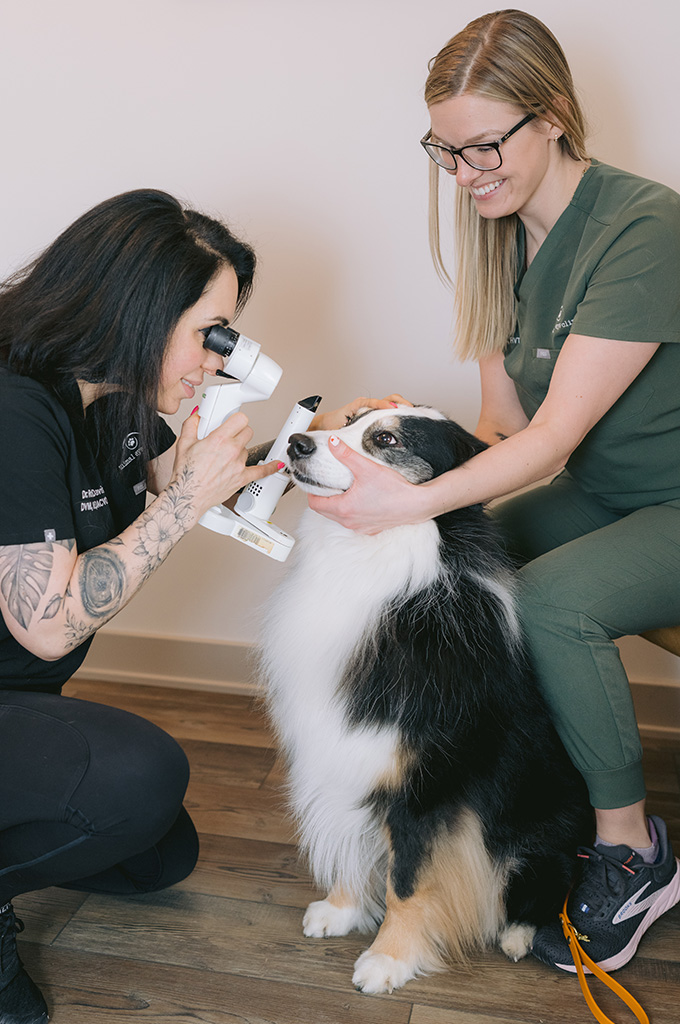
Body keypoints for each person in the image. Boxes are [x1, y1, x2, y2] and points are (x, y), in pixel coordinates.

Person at [307, 10, 680, 975]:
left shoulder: (646, 228)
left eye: (484, 146)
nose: (467, 173)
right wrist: (395, 446)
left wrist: (402, 501)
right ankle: (499, 803)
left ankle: (630, 851)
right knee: (473, 564)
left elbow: (550, 439)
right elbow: (505, 430)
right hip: (609, 491)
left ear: (552, 116)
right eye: (447, 150)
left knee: (550, 603)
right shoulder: (495, 237)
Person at [0, 188, 396, 1024]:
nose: (216, 361)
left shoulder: (106, 400)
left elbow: (180, 489)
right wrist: (182, 508)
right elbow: (45, 626)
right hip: (22, 675)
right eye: (207, 335)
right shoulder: (14, 407)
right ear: (139, 309)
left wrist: (312, 443)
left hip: (17, 700)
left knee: (156, 852)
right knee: (138, 777)